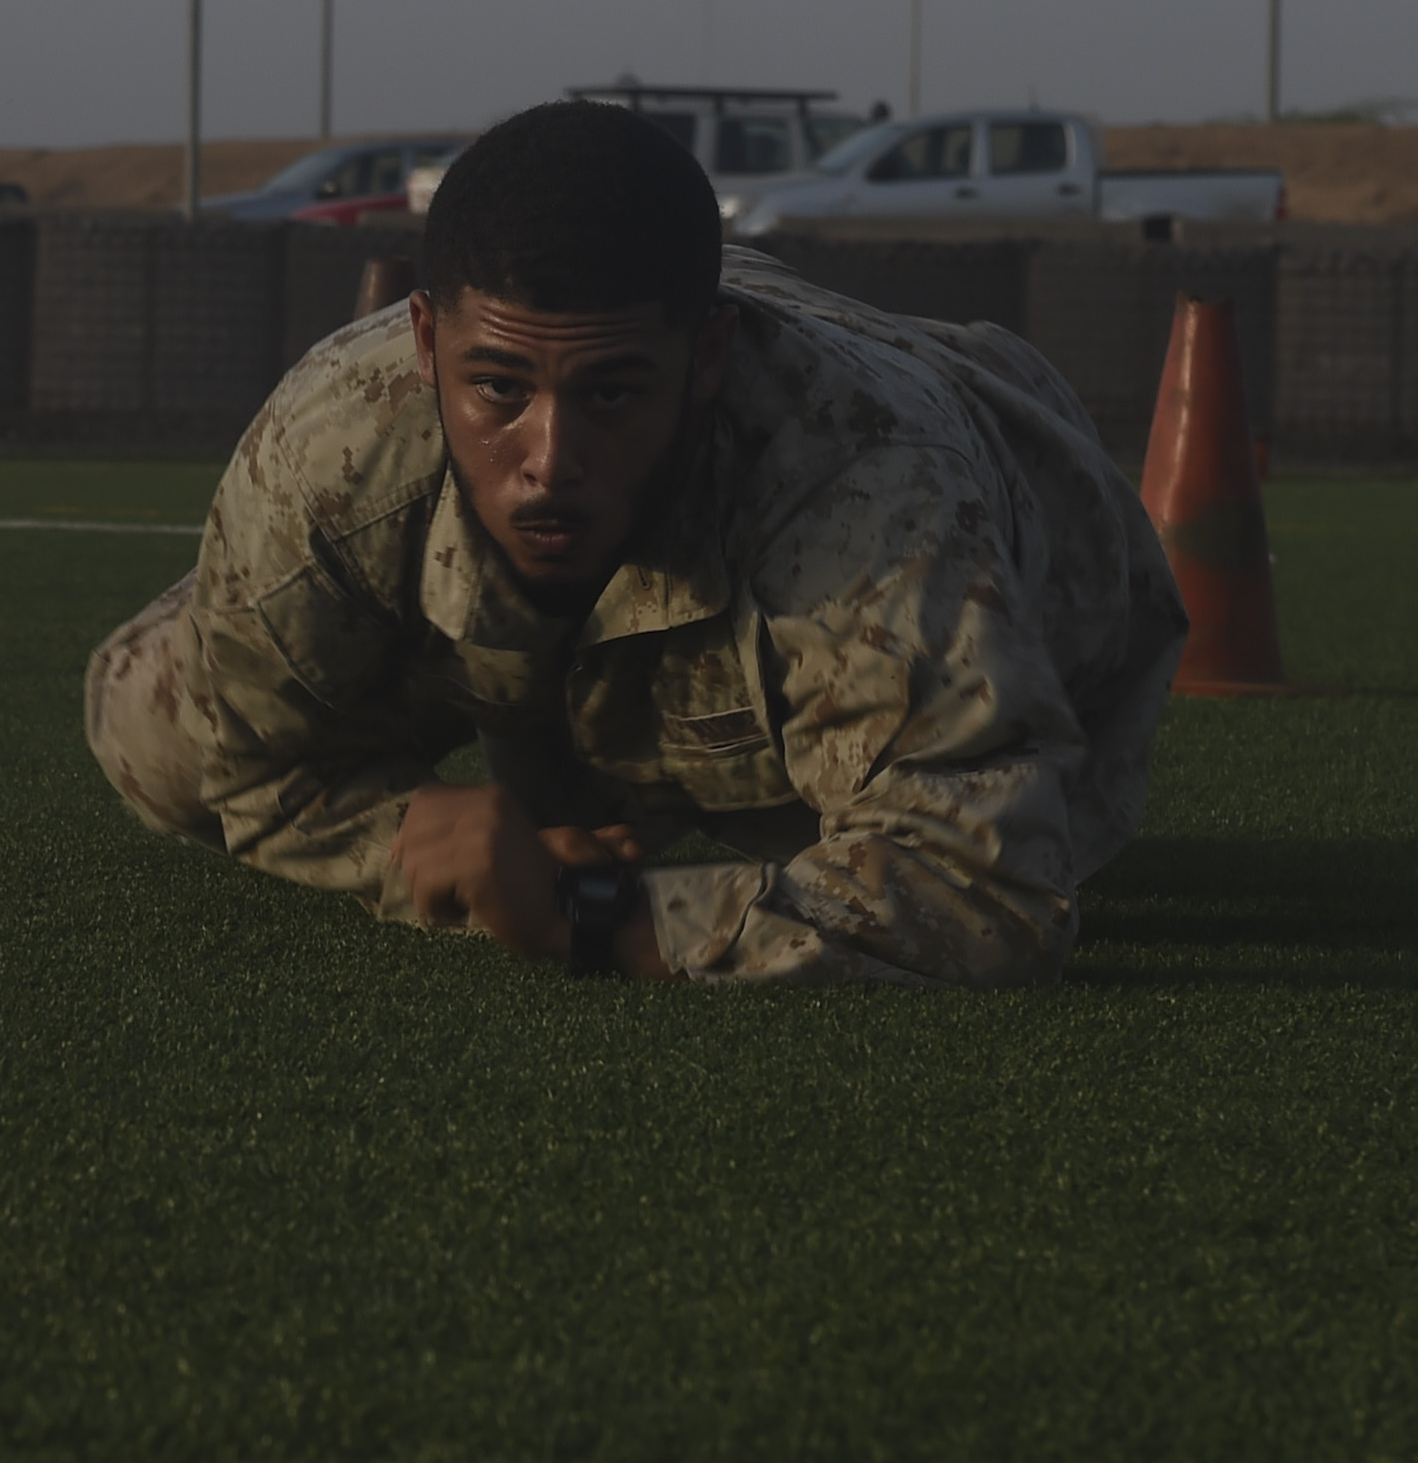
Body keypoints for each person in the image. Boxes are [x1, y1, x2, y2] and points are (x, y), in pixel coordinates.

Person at [83, 98, 1187, 988]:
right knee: (146, 723)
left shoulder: (867, 488)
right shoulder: (325, 455)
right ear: (424, 343)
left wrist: (588, 913)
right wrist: (424, 842)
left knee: (864, 856)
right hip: (541, 657)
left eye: (609, 393)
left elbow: (986, 895)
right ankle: (565, 774)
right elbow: (255, 772)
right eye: (498, 389)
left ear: (706, 359)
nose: (550, 459)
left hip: (1005, 553)